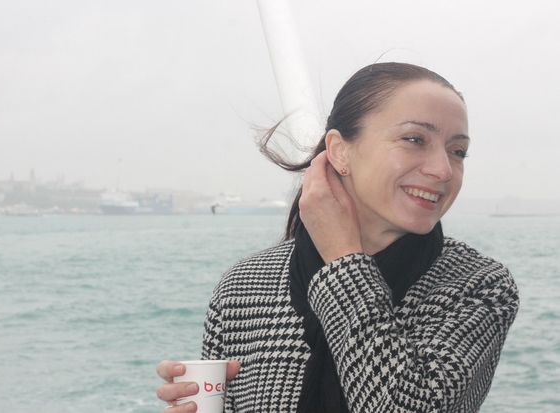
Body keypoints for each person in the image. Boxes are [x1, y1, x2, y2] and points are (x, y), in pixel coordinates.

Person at [156, 62, 519, 413]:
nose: (443, 169)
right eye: (414, 139)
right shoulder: (245, 285)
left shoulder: (479, 285)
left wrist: (343, 258)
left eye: (457, 151)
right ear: (340, 150)